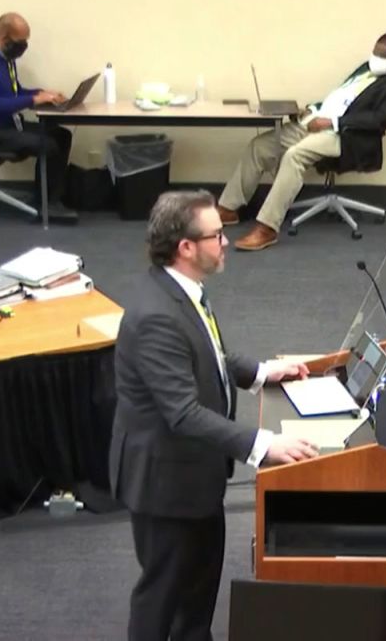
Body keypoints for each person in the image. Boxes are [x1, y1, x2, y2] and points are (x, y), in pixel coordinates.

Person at [111, 190, 319, 641]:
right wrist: (263, 445)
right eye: (217, 235)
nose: (225, 243)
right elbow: (182, 413)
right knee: (162, 592)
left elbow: (210, 354)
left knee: (199, 587)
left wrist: (263, 372)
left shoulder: (182, 292)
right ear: (186, 247)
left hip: (195, 473)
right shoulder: (156, 316)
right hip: (164, 481)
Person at [218, 32, 386, 251]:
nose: (377, 59)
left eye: (384, 56)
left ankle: (267, 227)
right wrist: (312, 110)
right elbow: (340, 99)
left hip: (346, 136)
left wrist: (332, 121)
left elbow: (378, 120)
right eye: (376, 53)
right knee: (260, 147)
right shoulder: (365, 68)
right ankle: (229, 208)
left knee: (295, 155)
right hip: (315, 122)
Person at [0, 12, 77, 222]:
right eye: (20, 41)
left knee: (62, 135)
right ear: (4, 37)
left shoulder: (5, 59)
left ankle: (46, 198)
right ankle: (48, 206)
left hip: (5, 126)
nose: (23, 46)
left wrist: (43, 94)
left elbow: (14, 93)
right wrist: (33, 101)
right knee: (49, 144)